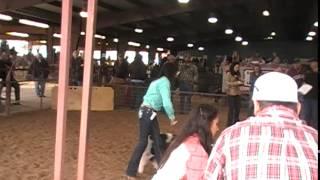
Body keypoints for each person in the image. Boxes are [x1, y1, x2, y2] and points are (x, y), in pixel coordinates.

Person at [204, 72, 318, 180]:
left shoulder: (231, 135)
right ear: (298, 108)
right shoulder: (314, 138)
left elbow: (210, 176)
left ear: (256, 105)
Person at [125, 63, 178, 180]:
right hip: (148, 112)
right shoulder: (165, 82)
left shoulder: (158, 81)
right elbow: (166, 102)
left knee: (158, 141)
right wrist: (172, 117)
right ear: (173, 72)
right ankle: (130, 171)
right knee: (143, 142)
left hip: (148, 112)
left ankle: (161, 170)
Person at [152, 104, 220, 180]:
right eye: (216, 124)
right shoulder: (197, 150)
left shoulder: (187, 140)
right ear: (207, 125)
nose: (217, 128)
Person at [301, 61, 318, 130]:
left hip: (310, 97)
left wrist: (301, 94)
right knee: (313, 117)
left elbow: (304, 85)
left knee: (308, 116)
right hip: (309, 97)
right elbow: (304, 84)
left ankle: (307, 130)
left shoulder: (308, 74)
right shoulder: (308, 74)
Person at [226, 62, 243, 126]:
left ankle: (236, 121)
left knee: (237, 109)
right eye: (236, 67)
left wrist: (241, 81)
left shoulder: (238, 74)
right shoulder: (229, 74)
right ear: (233, 67)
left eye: (238, 67)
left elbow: (241, 81)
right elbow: (227, 83)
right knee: (231, 109)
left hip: (238, 93)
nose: (237, 69)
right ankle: (229, 123)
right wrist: (236, 83)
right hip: (231, 93)